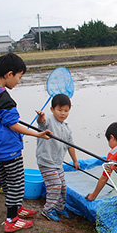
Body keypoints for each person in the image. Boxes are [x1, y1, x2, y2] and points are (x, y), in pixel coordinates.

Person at [0, 53, 52, 233]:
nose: (18, 82)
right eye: (18, 77)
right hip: (8, 149)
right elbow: (14, 125)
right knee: (16, 182)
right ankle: (11, 219)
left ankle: (17, 209)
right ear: (8, 74)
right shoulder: (5, 101)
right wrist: (39, 134)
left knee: (7, 182)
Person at [35, 93, 79, 222]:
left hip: (58, 163)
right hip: (46, 161)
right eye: (59, 110)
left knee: (63, 187)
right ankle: (47, 210)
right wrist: (41, 118)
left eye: (66, 110)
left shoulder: (67, 128)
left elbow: (70, 146)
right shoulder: (48, 120)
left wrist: (75, 160)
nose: (63, 113)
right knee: (55, 185)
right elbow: (41, 124)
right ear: (52, 109)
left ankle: (59, 208)